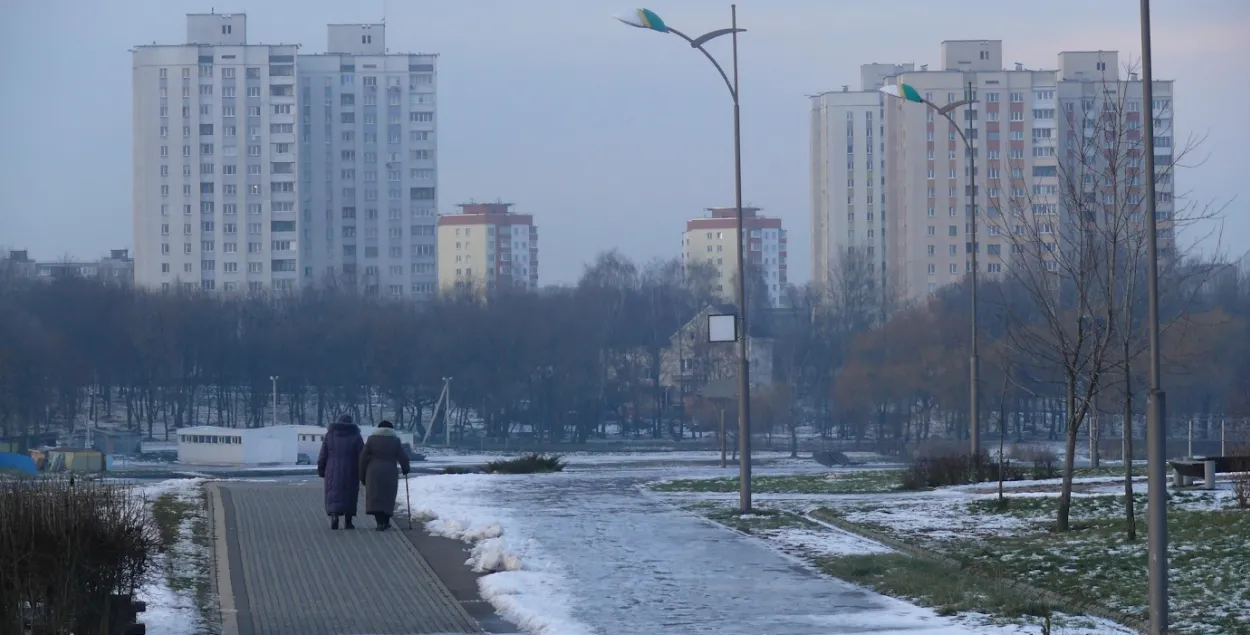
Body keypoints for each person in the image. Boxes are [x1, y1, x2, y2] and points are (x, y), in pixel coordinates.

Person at [359, 420, 410, 531]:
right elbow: (402, 456)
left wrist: (362, 475)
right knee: (388, 496)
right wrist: (405, 468)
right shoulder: (395, 441)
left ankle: (379, 523)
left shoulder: (371, 439)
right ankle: (386, 522)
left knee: (375, 496)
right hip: (390, 471)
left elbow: (362, 457)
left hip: (373, 471)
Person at [317, 413, 363, 530]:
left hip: (332, 468)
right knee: (350, 493)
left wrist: (321, 469)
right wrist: (363, 472)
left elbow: (323, 455)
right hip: (352, 469)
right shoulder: (356, 436)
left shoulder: (330, 435)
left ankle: (334, 515)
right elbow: (362, 455)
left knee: (333, 492)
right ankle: (348, 521)